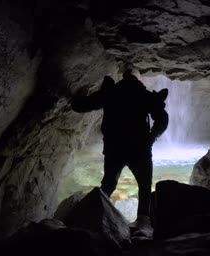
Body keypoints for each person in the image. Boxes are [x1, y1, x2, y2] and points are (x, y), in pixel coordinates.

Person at [71, 69, 169, 226]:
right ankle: (143, 222)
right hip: (140, 149)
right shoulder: (143, 95)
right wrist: (152, 137)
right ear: (137, 82)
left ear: (122, 81)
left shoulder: (111, 93)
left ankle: (94, 218)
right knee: (144, 187)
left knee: (108, 184)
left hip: (114, 148)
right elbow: (163, 119)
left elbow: (83, 105)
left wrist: (71, 95)